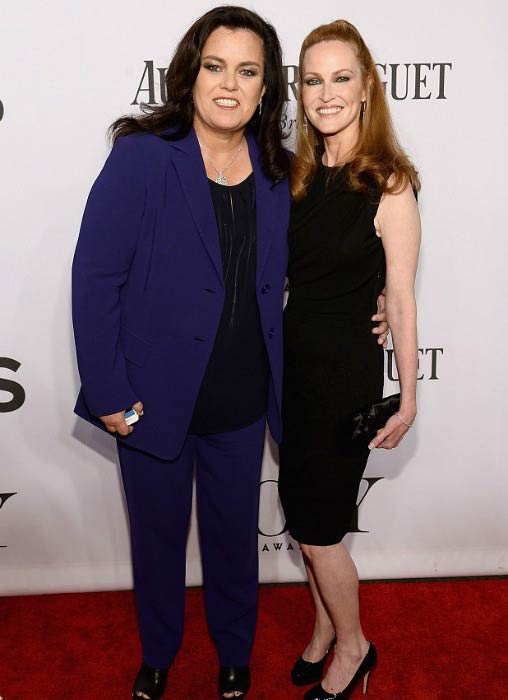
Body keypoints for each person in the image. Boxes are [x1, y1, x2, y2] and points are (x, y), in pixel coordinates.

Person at [72, 6, 388, 698]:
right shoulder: (143, 157)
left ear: (265, 89)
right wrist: (107, 392)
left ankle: (234, 659)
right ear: (191, 73)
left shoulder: (282, 175)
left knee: (230, 546)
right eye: (215, 65)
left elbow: (331, 256)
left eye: (247, 71)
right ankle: (158, 656)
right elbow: (96, 278)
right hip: (149, 398)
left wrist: (386, 297)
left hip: (243, 395)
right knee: (155, 543)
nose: (228, 84)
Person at [278, 19, 421, 700]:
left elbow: (400, 295)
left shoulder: (388, 183)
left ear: (366, 89)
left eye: (341, 78)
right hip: (294, 374)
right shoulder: (298, 177)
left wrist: (411, 395)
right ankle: (323, 629)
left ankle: (354, 646)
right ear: (299, 91)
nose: (326, 93)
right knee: (310, 522)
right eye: (313, 79)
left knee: (318, 531)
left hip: (343, 382)